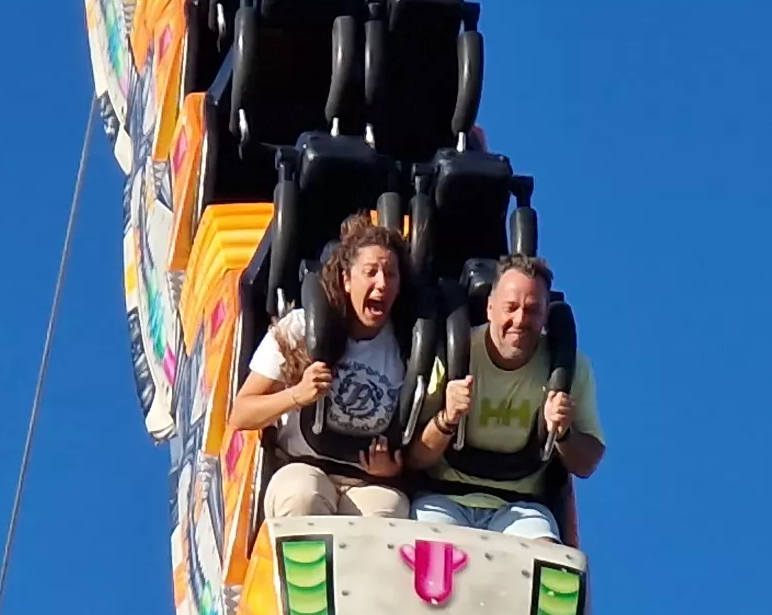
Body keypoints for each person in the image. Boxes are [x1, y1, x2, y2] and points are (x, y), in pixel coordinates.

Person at [234, 212, 418, 521]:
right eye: (371, 272)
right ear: (347, 279)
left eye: (390, 274)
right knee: (304, 496)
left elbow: (416, 440)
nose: (381, 283)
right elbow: (241, 413)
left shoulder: (405, 346)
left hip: (366, 481)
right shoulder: (300, 327)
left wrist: (394, 467)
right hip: (302, 466)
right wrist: (297, 395)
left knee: (387, 511)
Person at [413, 256, 603, 543]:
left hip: (520, 507)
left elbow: (587, 463)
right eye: (511, 307)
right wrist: (447, 419)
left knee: (546, 558)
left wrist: (563, 433)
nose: (520, 320)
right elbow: (414, 457)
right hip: (444, 496)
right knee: (431, 554)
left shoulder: (570, 369)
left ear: (544, 317)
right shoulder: (454, 360)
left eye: (532, 310)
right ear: (490, 308)